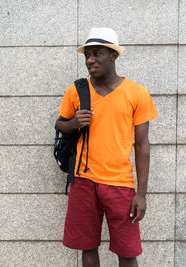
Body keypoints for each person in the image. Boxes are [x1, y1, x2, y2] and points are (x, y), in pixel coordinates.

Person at [56, 28, 158, 267]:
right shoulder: (77, 90)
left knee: (127, 251)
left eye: (96, 54)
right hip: (83, 180)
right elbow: (60, 124)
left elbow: (143, 145)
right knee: (88, 247)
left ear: (113, 55)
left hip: (120, 183)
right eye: (87, 55)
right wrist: (73, 123)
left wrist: (141, 194)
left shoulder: (136, 93)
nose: (90, 60)